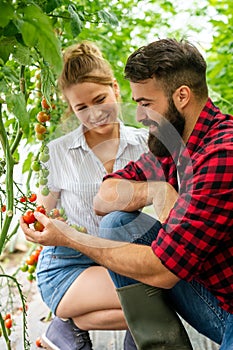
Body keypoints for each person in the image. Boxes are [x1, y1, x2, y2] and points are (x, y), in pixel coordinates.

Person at [20, 38, 233, 350]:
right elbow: (104, 197)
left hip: (219, 298)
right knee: (117, 222)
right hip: (204, 289)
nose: (140, 114)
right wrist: (158, 190)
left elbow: (164, 270)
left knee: (147, 278)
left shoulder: (221, 154)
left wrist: (70, 237)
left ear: (182, 96)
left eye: (146, 103)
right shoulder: (171, 142)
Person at [33, 41, 149, 350]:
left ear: (115, 88)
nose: (95, 113)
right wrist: (37, 225)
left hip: (123, 261)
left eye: (100, 99)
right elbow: (41, 216)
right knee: (151, 301)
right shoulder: (57, 152)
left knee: (153, 297)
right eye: (82, 108)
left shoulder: (146, 144)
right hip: (70, 264)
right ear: (71, 109)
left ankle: (68, 325)